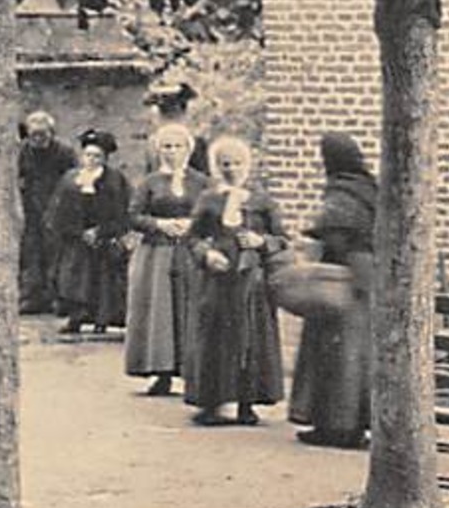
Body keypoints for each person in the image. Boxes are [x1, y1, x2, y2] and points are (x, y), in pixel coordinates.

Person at [184, 135, 288, 426]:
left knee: (250, 340)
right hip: (217, 281)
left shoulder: (262, 200)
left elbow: (282, 240)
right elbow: (192, 237)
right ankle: (211, 403)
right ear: (216, 166)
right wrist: (207, 254)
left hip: (250, 281)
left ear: (248, 165)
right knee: (215, 339)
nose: (232, 169)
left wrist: (261, 241)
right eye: (225, 163)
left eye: (238, 163)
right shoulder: (208, 199)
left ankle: (247, 403)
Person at [289, 132, 379, 448]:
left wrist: (315, 240)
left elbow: (338, 234)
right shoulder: (369, 187)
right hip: (369, 277)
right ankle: (355, 424)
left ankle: (336, 427)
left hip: (344, 275)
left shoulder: (341, 193)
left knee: (338, 354)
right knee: (358, 352)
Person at [124, 122, 208, 396]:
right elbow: (133, 215)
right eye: (167, 147)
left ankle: (193, 372)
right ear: (158, 151)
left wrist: (192, 225)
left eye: (178, 146)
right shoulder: (149, 182)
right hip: (156, 254)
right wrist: (160, 225)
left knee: (190, 308)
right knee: (160, 314)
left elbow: (211, 213)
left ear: (188, 149)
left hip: (191, 253)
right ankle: (161, 372)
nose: (172, 152)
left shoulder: (201, 182)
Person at [45, 128, 131, 334]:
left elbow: (122, 210)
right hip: (75, 239)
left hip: (104, 239)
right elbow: (58, 210)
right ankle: (76, 317)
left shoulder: (115, 179)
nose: (91, 160)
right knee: (74, 277)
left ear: (105, 158)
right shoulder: (70, 179)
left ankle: (102, 320)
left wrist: (102, 231)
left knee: (103, 279)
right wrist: (77, 232)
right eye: (88, 155)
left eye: (97, 156)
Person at [18, 111, 78, 315]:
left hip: (59, 208)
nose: (38, 139)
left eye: (42, 135)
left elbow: (74, 178)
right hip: (31, 209)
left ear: (51, 133)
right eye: (33, 135)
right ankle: (32, 297)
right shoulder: (22, 151)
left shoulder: (65, 151)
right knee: (31, 253)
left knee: (57, 254)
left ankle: (58, 298)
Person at [143, 79, 209, 175]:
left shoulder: (195, 143)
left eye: (173, 109)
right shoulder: (153, 144)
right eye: (165, 111)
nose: (170, 115)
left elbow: (204, 180)